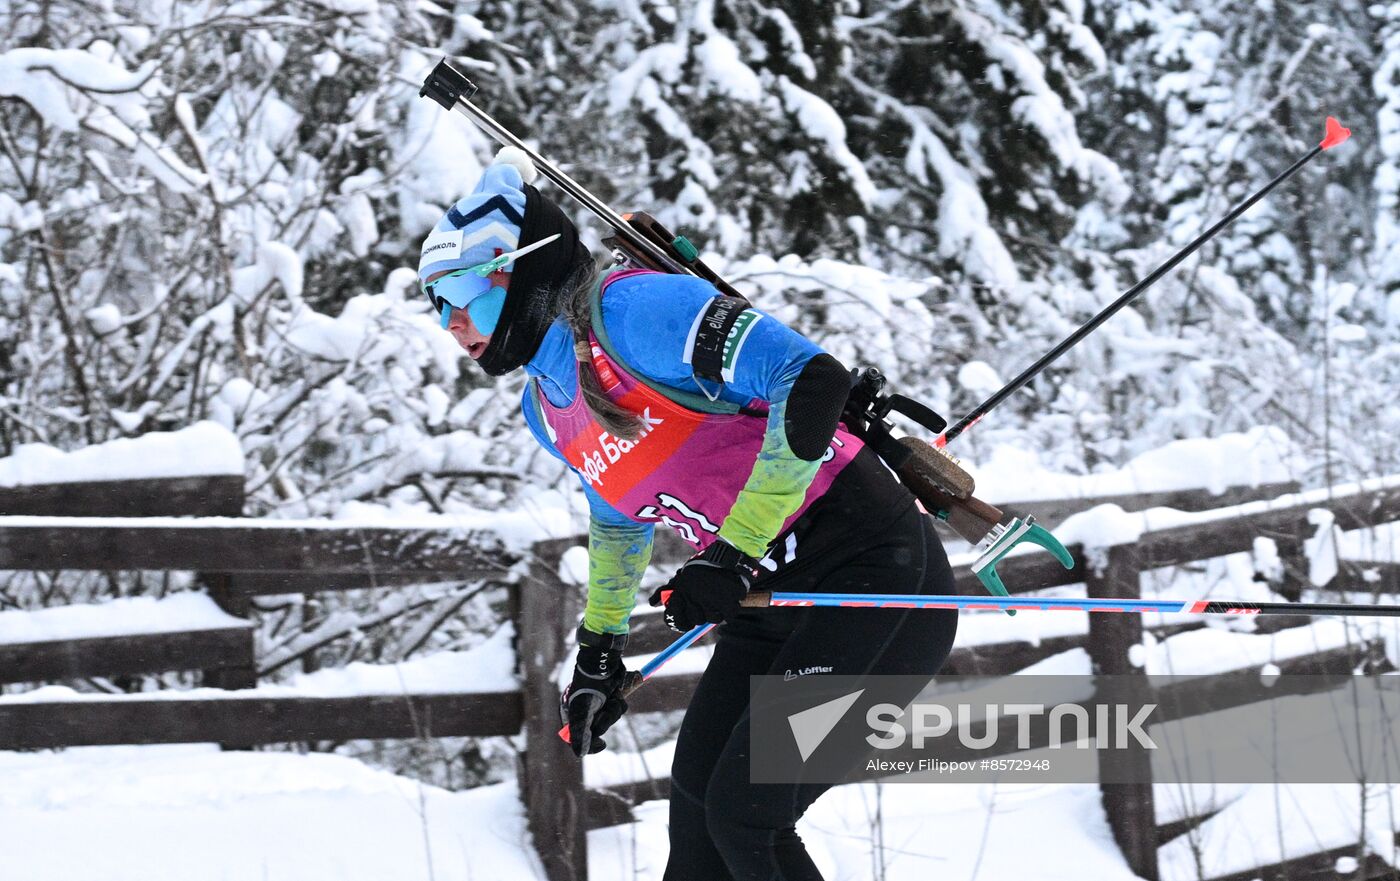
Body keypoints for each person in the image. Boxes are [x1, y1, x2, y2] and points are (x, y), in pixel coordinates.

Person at [418, 148, 960, 881]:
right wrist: (600, 650)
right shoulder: (546, 404)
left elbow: (810, 377)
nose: (451, 321)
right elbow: (617, 514)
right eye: (435, 302)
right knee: (699, 824)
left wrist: (731, 554)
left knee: (746, 816)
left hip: (873, 577)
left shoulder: (634, 310)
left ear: (525, 265)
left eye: (461, 291)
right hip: (770, 600)